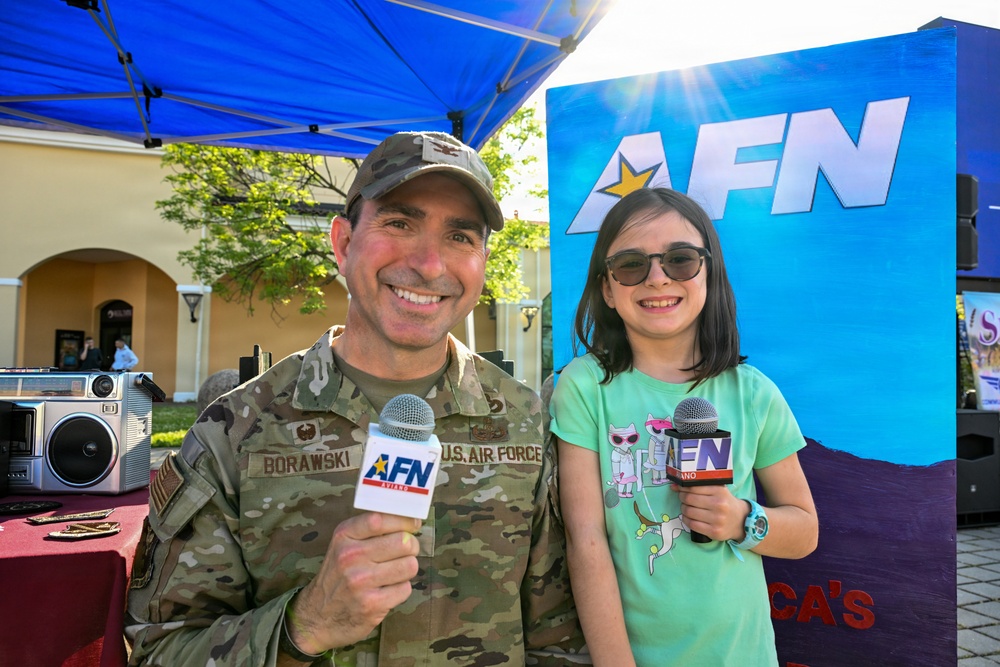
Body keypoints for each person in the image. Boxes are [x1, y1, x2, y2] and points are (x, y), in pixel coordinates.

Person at [125, 131, 587, 666]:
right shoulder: (235, 431)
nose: (430, 265)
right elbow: (159, 650)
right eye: (399, 224)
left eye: (460, 236)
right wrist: (305, 625)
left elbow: (561, 644)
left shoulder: (525, 423)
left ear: (483, 261)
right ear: (343, 243)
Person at [549, 187, 818, 666]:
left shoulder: (754, 393)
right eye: (631, 264)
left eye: (679, 259)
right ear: (607, 288)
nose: (657, 278)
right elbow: (585, 542)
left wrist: (741, 519)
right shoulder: (585, 387)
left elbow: (805, 531)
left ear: (709, 272)